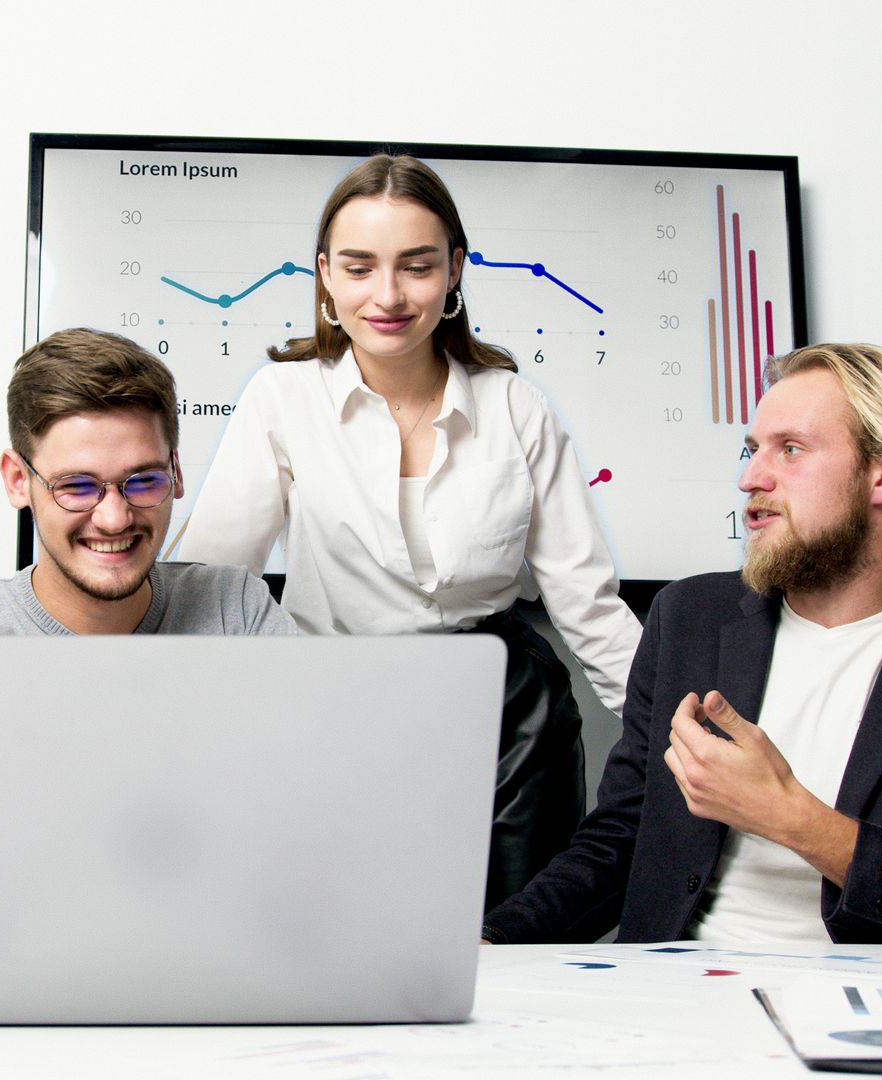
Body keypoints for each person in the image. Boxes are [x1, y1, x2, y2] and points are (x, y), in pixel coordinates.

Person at [481, 343, 882, 980]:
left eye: (791, 449)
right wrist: (492, 942)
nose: (751, 478)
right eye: (753, 450)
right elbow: (620, 839)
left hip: (876, 1011)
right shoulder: (689, 618)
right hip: (675, 1001)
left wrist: (792, 818)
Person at [176, 155, 640, 906]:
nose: (387, 296)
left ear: (455, 270)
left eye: (416, 267)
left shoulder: (516, 406)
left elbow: (587, 606)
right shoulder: (283, 398)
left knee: (520, 955)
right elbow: (208, 580)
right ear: (326, 275)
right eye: (359, 268)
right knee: (335, 941)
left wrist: (691, 740)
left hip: (506, 722)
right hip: (328, 711)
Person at [0, 328, 295, 637]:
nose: (114, 519)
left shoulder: (238, 613)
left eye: (144, 480)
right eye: (77, 486)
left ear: (176, 473)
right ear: (17, 480)